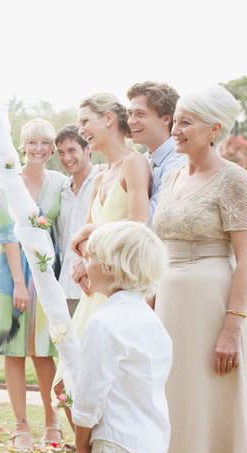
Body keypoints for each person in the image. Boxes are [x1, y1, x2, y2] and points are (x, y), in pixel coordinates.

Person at [153, 86, 247, 453]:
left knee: (218, 417)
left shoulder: (236, 180)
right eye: (175, 120)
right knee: (181, 408)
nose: (176, 129)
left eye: (185, 121)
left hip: (214, 310)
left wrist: (232, 326)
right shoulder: (171, 177)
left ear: (214, 128)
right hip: (170, 307)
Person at [54, 93, 150, 401]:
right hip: (93, 288)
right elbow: (81, 241)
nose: (81, 130)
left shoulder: (134, 164)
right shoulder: (100, 175)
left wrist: (93, 231)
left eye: (85, 121)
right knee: (72, 381)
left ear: (109, 118)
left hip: (119, 287)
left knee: (105, 382)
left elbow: (138, 229)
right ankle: (86, 449)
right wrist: (81, 262)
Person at [0, 118, 66, 450]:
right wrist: (19, 283)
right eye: (32, 143)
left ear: (52, 149)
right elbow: (7, 236)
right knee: (13, 349)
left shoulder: (59, 182)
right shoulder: (9, 183)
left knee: (44, 350)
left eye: (45, 143)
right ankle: (21, 427)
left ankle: (52, 421)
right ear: (22, 146)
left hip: (47, 274)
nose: (38, 149)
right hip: (11, 274)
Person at [73, 221, 172, 453]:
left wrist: (82, 444)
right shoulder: (152, 321)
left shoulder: (103, 323)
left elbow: (89, 396)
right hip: (151, 445)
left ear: (110, 266)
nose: (85, 264)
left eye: (90, 257)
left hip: (116, 444)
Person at [126, 81, 187, 226]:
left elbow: (154, 222)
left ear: (166, 119)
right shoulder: (143, 160)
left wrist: (95, 230)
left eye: (140, 114)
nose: (131, 121)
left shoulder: (181, 163)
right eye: (130, 114)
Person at [55, 125, 99, 316]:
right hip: (65, 286)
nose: (66, 158)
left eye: (72, 150)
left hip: (95, 285)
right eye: (61, 152)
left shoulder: (102, 180)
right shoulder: (62, 190)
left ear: (87, 149)